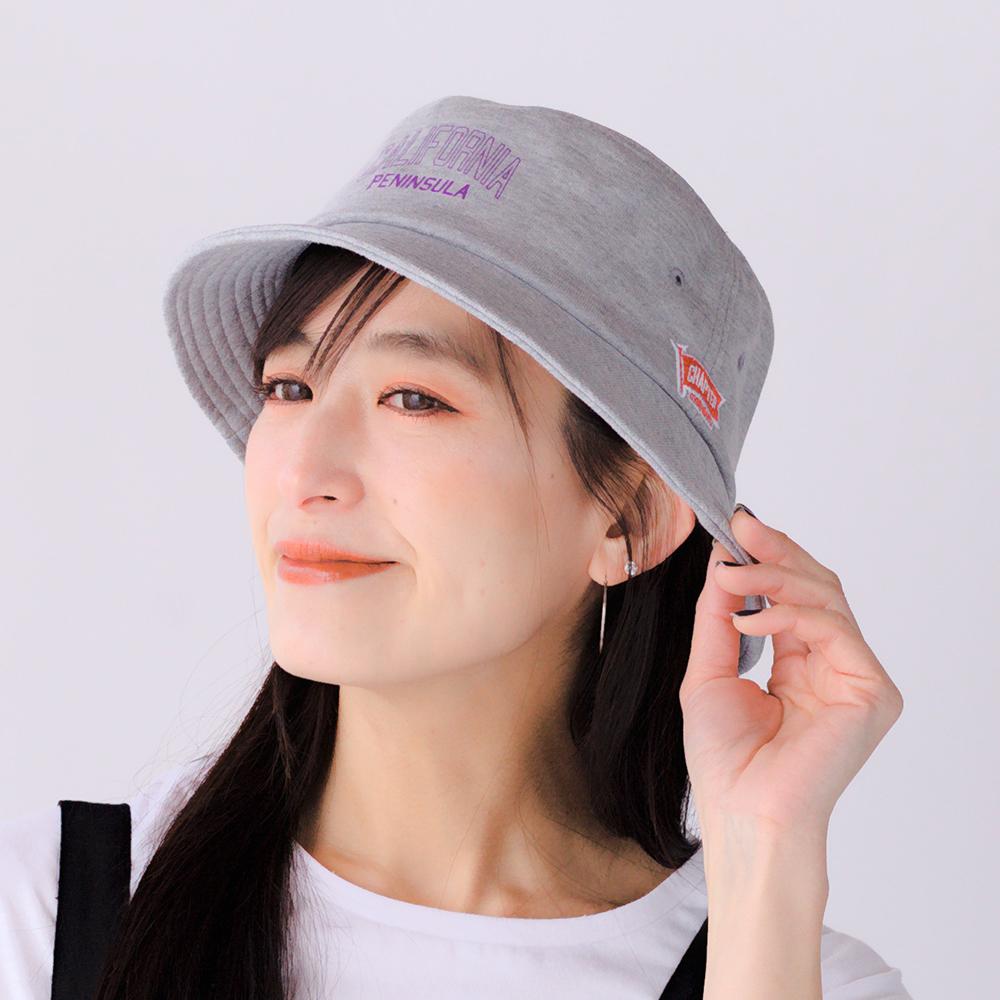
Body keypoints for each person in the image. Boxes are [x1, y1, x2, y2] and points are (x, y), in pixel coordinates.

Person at [0, 96, 912, 999]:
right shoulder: (44, 914)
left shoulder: (801, 976)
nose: (304, 471)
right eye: (289, 388)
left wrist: (766, 857)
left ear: (628, 518)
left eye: (413, 399)